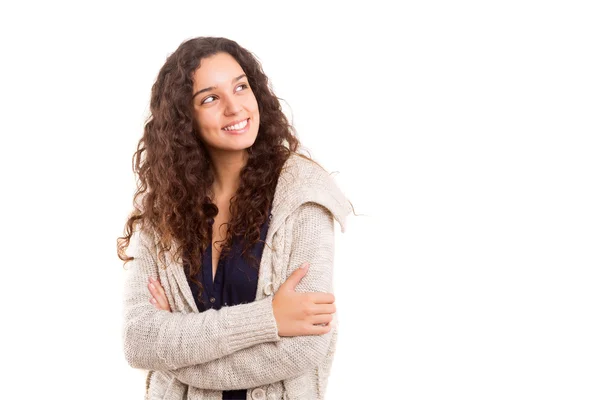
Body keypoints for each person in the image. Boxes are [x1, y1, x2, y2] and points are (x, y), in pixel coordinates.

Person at [117, 36, 353, 400]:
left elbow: (304, 349)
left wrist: (177, 348)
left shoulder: (304, 195)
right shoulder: (162, 208)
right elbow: (140, 340)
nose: (235, 107)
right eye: (210, 98)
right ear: (184, 119)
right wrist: (268, 319)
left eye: (241, 87)